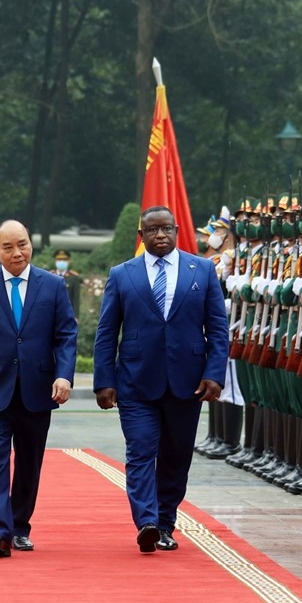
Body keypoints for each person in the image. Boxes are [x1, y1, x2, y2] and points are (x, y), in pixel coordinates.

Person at [93, 206, 229, 553]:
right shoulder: (123, 274)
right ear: (142, 236)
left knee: (176, 455)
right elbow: (107, 332)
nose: (160, 236)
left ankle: (166, 520)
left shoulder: (202, 270)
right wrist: (103, 380)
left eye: (166, 229)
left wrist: (214, 374)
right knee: (140, 451)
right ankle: (147, 521)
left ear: (177, 230)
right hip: (136, 382)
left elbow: (217, 328)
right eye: (152, 231)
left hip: (188, 382)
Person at [0, 220, 77, 558]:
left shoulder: (52, 286)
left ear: (31, 245)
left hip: (38, 392)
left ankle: (19, 526)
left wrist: (64, 375)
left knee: (28, 463)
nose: (16, 252)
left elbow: (66, 335)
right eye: (7, 247)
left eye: (21, 244)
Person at [50, 249, 81, 319]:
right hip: (51, 314)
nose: (62, 262)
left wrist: (76, 317)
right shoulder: (49, 276)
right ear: (55, 261)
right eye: (59, 259)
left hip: (67, 315)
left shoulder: (74, 278)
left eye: (64, 260)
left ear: (68, 261)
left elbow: (76, 299)